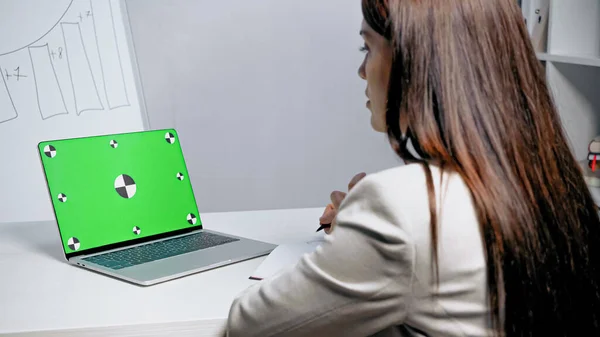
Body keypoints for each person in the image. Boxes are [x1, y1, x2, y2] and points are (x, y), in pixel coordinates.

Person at [219, 0, 600, 336]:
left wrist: (358, 230)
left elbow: (249, 325)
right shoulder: (555, 187)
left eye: (366, 48)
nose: (361, 70)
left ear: (415, 60)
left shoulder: (401, 206)